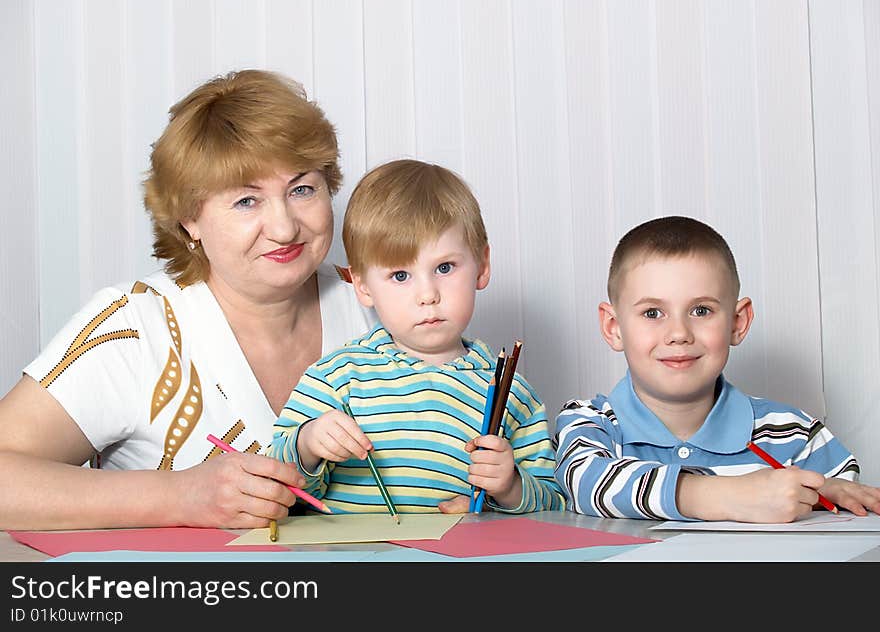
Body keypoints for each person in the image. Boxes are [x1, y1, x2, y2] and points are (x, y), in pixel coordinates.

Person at [0, 69, 376, 530]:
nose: (284, 227)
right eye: (246, 201)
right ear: (187, 223)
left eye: (302, 190)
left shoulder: (381, 303)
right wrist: (180, 497)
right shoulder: (133, 325)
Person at [267, 159, 564, 514]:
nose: (427, 294)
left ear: (482, 266)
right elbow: (280, 479)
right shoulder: (338, 376)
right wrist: (309, 443)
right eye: (400, 276)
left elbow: (553, 501)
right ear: (362, 286)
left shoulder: (509, 391)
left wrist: (511, 488)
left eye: (444, 268)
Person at [554, 215, 880, 523]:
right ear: (614, 327)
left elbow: (846, 517)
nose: (679, 333)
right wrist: (729, 495)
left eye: (701, 310)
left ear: (738, 322)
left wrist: (819, 494)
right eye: (653, 313)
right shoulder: (591, 422)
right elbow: (585, 483)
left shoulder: (794, 433)